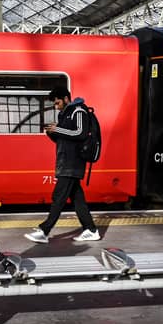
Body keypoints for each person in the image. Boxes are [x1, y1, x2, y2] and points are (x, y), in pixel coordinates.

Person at [24, 86, 100, 244]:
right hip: (65, 162)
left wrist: (58, 129)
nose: (56, 105)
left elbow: (81, 133)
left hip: (73, 163)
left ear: (66, 98)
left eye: (57, 102)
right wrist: (52, 133)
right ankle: (91, 230)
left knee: (58, 197)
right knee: (77, 199)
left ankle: (44, 231)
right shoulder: (64, 115)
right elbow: (63, 140)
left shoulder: (78, 111)